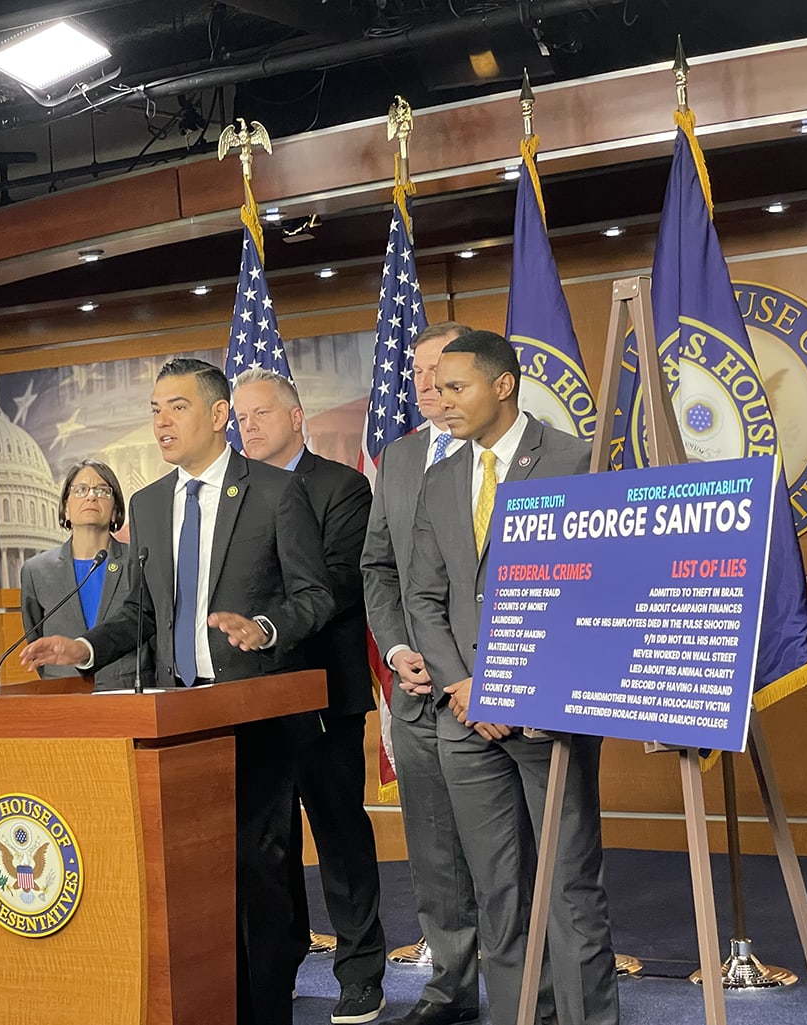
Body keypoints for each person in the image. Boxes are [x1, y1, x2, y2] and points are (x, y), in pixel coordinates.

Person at [21, 356, 333, 1025]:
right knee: (188, 883)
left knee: (258, 878)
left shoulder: (277, 492)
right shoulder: (153, 503)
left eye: (177, 406)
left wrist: (264, 627)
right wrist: (83, 648)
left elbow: (315, 596)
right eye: (155, 408)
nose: (161, 420)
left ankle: (265, 1011)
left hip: (255, 715)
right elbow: (139, 611)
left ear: (219, 415)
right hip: (175, 723)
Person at [404, 329, 619, 1025]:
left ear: (503, 385)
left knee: (568, 885)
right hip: (463, 716)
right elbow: (423, 597)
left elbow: (595, 589)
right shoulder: (440, 476)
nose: (439, 398)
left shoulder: (576, 461)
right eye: (435, 385)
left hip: (547, 713)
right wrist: (464, 685)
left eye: (454, 385)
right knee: (500, 891)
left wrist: (506, 687)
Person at [232, 367, 387, 1025]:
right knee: (268, 843)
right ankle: (280, 964)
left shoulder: (341, 486)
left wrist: (259, 621)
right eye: (241, 418)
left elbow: (333, 585)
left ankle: (360, 974)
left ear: (296, 417)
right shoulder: (235, 494)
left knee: (338, 832)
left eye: (262, 413)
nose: (250, 426)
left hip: (325, 690)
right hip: (250, 699)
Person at [361, 321, 483, 1025]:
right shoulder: (400, 458)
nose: (428, 382)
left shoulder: (502, 453)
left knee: (505, 853)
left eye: (442, 367)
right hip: (412, 693)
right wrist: (398, 644)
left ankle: (534, 988)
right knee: (435, 852)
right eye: (417, 372)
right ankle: (451, 989)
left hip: (484, 691)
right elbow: (379, 566)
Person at [19, 459, 153, 691]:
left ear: (116, 512)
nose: (91, 496)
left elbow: (150, 629)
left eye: (102, 490)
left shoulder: (139, 561)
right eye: (80, 490)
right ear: (65, 509)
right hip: (65, 695)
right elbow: (36, 638)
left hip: (130, 694)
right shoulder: (36, 571)